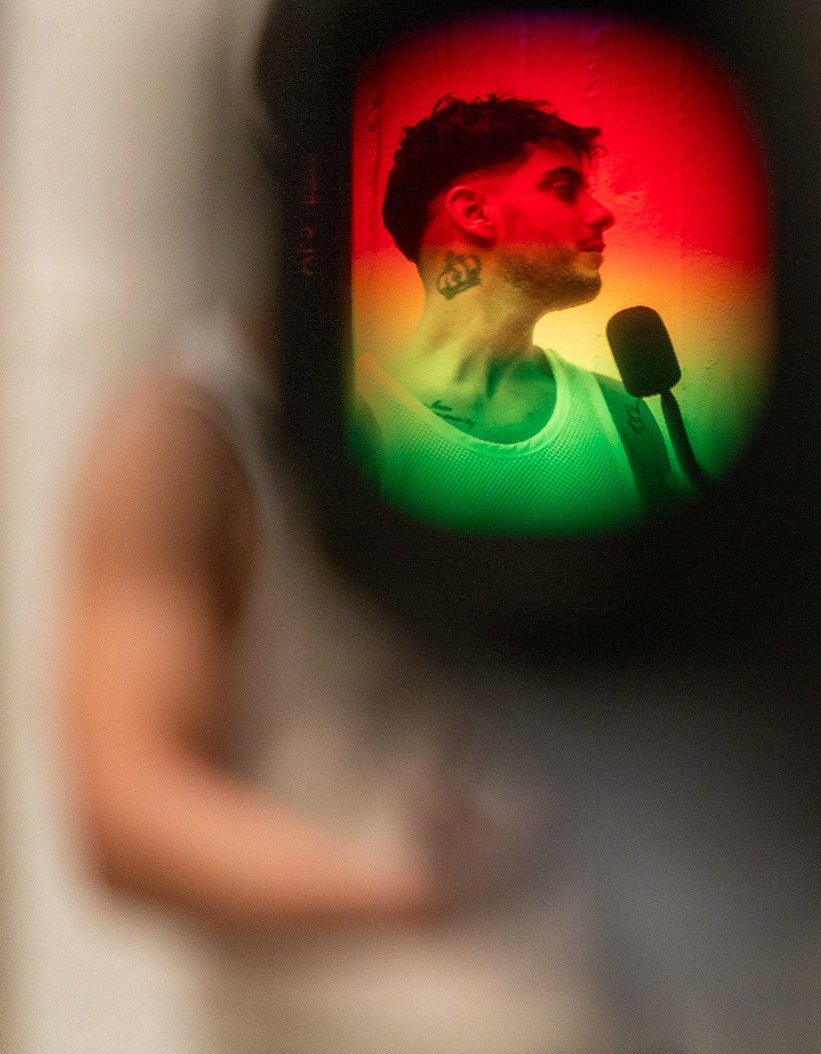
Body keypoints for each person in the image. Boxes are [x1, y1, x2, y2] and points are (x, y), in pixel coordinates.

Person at [68, 314, 618, 1054]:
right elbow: (128, 809)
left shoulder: (602, 404)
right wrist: (411, 893)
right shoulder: (197, 428)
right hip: (323, 1026)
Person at [353, 94, 680, 535]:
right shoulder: (353, 419)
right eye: (564, 189)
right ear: (474, 212)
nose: (603, 215)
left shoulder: (623, 413)